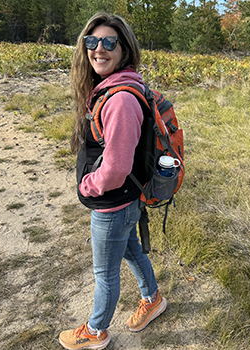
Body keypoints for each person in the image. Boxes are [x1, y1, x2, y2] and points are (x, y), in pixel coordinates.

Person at [58, 12, 167, 350]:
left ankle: (95, 331)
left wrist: (87, 185)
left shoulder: (119, 99)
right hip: (126, 198)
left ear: (124, 50)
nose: (99, 49)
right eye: (92, 42)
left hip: (113, 201)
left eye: (109, 42)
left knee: (104, 274)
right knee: (131, 249)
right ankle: (154, 298)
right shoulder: (120, 87)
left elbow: (117, 167)